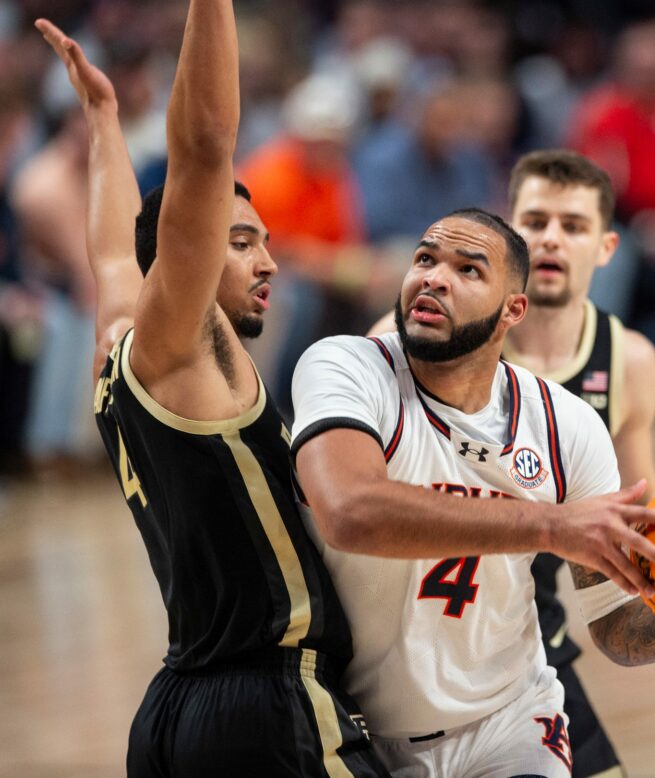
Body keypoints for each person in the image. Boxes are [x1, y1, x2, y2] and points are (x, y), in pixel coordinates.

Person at [293, 207, 655, 776]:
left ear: (514, 310)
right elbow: (350, 513)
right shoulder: (344, 367)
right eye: (425, 258)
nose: (433, 277)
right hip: (353, 728)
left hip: (509, 724)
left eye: (468, 269)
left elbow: (618, 628)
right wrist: (551, 524)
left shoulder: (568, 427)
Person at [36, 10, 388, 776]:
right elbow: (201, 147)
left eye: (263, 240)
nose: (266, 261)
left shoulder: (126, 343)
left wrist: (103, 120)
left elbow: (111, 246)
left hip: (174, 707)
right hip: (268, 701)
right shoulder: (184, 339)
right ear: (183, 258)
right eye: (238, 242)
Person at [503, 150, 655, 773]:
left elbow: (642, 520)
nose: (551, 237)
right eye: (535, 219)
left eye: (574, 225)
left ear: (606, 247)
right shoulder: (450, 340)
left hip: (534, 639)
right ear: (507, 230)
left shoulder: (629, 361)